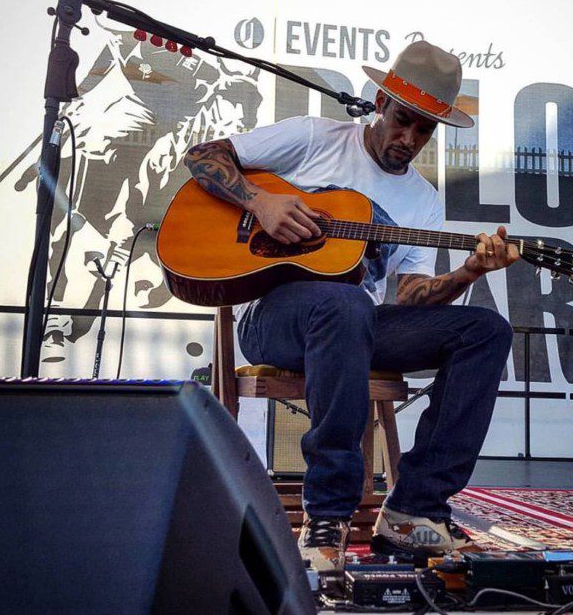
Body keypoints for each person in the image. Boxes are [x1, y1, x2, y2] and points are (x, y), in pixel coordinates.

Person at [183, 41, 519, 571]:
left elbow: (410, 296)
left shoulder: (423, 201)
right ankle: (328, 514)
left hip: (356, 322)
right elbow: (203, 155)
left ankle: (414, 510)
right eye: (403, 121)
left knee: (486, 330)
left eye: (424, 131)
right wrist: (260, 202)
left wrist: (469, 272)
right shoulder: (314, 137)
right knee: (344, 304)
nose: (409, 140)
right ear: (380, 103)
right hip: (274, 318)